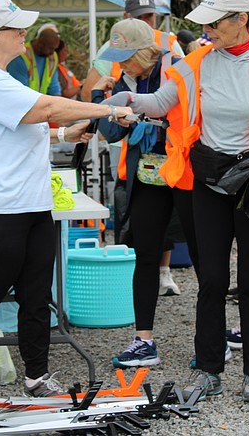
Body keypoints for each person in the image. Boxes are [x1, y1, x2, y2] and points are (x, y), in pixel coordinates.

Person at [105, 0, 249, 403]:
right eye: (204, 24)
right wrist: (124, 101)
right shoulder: (195, 63)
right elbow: (159, 103)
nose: (207, 30)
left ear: (242, 21)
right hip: (208, 181)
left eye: (214, 23)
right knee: (210, 278)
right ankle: (209, 369)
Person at [0, 0, 133, 400]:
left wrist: (65, 134)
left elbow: (19, 129)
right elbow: (45, 108)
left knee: (35, 299)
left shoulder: (1, 77)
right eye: (15, 28)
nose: (23, 33)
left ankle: (37, 377)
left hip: (29, 208)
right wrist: (104, 111)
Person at [90, 18, 199, 369]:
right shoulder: (125, 79)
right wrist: (102, 98)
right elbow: (110, 133)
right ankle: (143, 340)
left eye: (126, 58)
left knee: (205, 255)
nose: (121, 65)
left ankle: (213, 338)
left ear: (145, 51)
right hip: (148, 178)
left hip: (186, 172)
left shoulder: (179, 68)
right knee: (146, 256)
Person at [80, 0, 184, 102]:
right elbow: (88, 92)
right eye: (138, 16)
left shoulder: (170, 44)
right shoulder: (113, 49)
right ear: (126, 16)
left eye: (149, 15)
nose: (144, 21)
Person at [7, 23, 62, 95]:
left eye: (54, 49)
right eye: (50, 48)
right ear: (40, 43)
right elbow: (21, 92)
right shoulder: (20, 56)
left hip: (40, 103)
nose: (52, 52)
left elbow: (54, 88)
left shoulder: (52, 58)